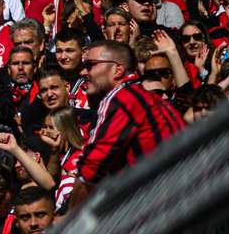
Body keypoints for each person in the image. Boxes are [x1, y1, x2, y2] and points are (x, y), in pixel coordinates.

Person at [66, 39, 185, 204]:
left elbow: (90, 169)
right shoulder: (153, 99)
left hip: (156, 207)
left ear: (117, 70)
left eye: (90, 65)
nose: (83, 73)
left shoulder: (122, 98)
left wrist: (70, 221)